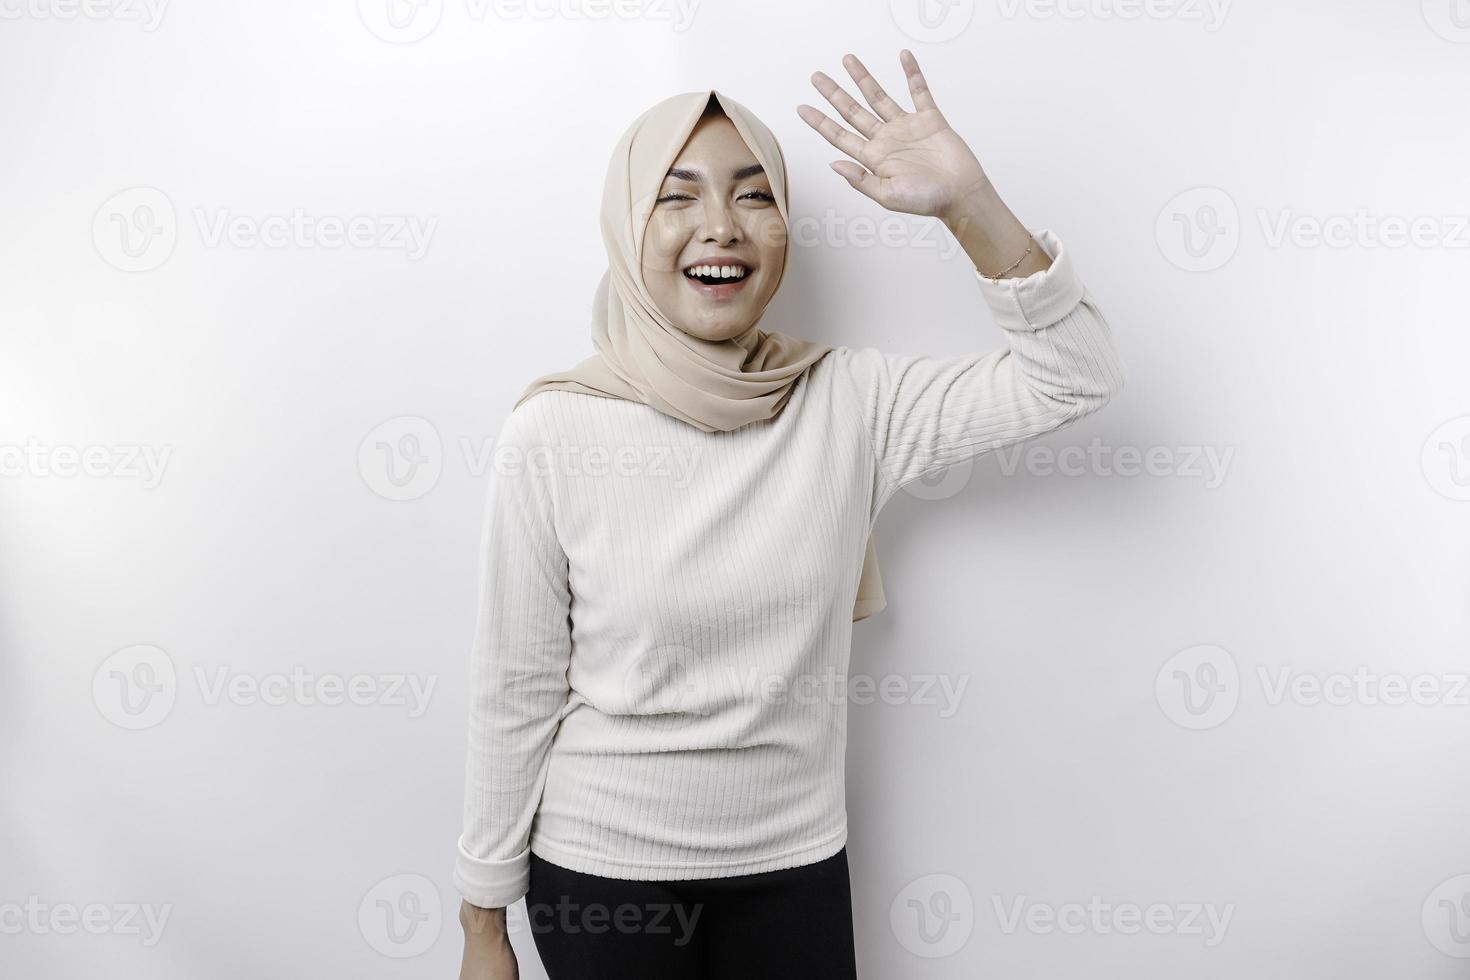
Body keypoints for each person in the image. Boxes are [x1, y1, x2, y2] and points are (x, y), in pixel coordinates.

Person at [454, 49, 1126, 980]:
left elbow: (1078, 375)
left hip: (795, 867)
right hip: (607, 879)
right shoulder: (556, 429)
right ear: (625, 225)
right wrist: (482, 921)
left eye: (754, 195)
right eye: (676, 197)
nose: (719, 228)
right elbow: (513, 684)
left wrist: (970, 204)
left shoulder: (848, 402)